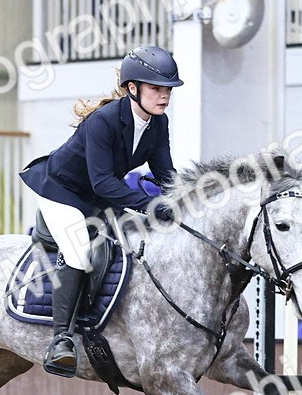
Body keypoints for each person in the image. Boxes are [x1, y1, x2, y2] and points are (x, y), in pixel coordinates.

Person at [19, 45, 183, 377]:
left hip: (97, 197)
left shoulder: (158, 123)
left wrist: (182, 203)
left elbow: (166, 174)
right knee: (79, 254)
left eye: (167, 89)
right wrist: (150, 206)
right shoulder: (103, 122)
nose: (164, 96)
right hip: (61, 191)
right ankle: (61, 340)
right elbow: (103, 183)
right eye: (156, 88)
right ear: (132, 89)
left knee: (139, 240)